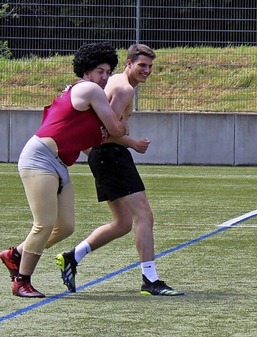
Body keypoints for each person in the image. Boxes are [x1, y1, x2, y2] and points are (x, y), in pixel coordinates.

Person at [55, 44, 184, 296]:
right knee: (144, 216)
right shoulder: (124, 89)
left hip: (105, 157)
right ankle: (150, 279)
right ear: (128, 63)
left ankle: (72, 257)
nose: (146, 71)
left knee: (123, 223)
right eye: (141, 65)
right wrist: (132, 143)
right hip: (111, 157)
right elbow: (104, 133)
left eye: (149, 66)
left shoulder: (116, 82)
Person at [0, 42, 126, 298]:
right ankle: (21, 281)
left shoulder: (85, 95)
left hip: (58, 163)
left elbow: (84, 138)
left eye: (108, 72)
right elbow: (116, 129)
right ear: (87, 72)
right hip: (41, 158)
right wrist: (125, 120)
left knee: (65, 226)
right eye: (100, 71)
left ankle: (16, 255)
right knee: (44, 223)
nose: (105, 77)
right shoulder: (90, 89)